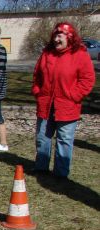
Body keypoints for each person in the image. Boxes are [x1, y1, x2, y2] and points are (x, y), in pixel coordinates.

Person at [32, 22, 95, 178]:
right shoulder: (47, 53)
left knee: (64, 139)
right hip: (46, 104)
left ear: (69, 37)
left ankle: (60, 174)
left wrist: (74, 95)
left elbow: (87, 79)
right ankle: (41, 168)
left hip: (67, 105)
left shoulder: (80, 54)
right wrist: (38, 91)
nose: (56, 39)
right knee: (42, 137)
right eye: (55, 35)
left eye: (59, 36)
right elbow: (37, 75)